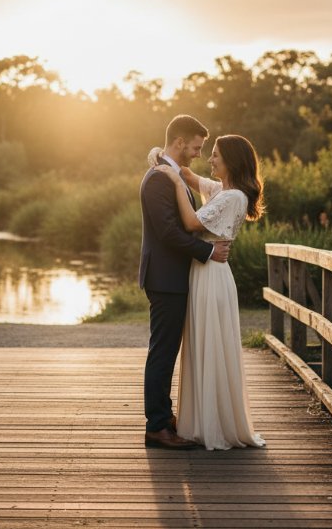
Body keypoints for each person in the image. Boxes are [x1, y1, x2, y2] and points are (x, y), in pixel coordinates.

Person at [152, 134, 267, 450]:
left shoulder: (232, 198)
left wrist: (174, 183)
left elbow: (190, 223)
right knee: (204, 344)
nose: (210, 159)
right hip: (205, 272)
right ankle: (203, 417)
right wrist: (161, 158)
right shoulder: (222, 191)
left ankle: (214, 423)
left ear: (231, 160)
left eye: (215, 155)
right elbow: (190, 175)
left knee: (211, 344)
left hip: (212, 275)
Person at [139, 115, 231, 450]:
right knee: (162, 351)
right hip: (165, 278)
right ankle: (157, 426)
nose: (196, 153)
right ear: (179, 142)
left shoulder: (171, 174)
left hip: (172, 276)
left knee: (167, 349)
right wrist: (208, 251)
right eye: (195, 146)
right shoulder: (158, 180)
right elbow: (168, 232)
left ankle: (164, 417)